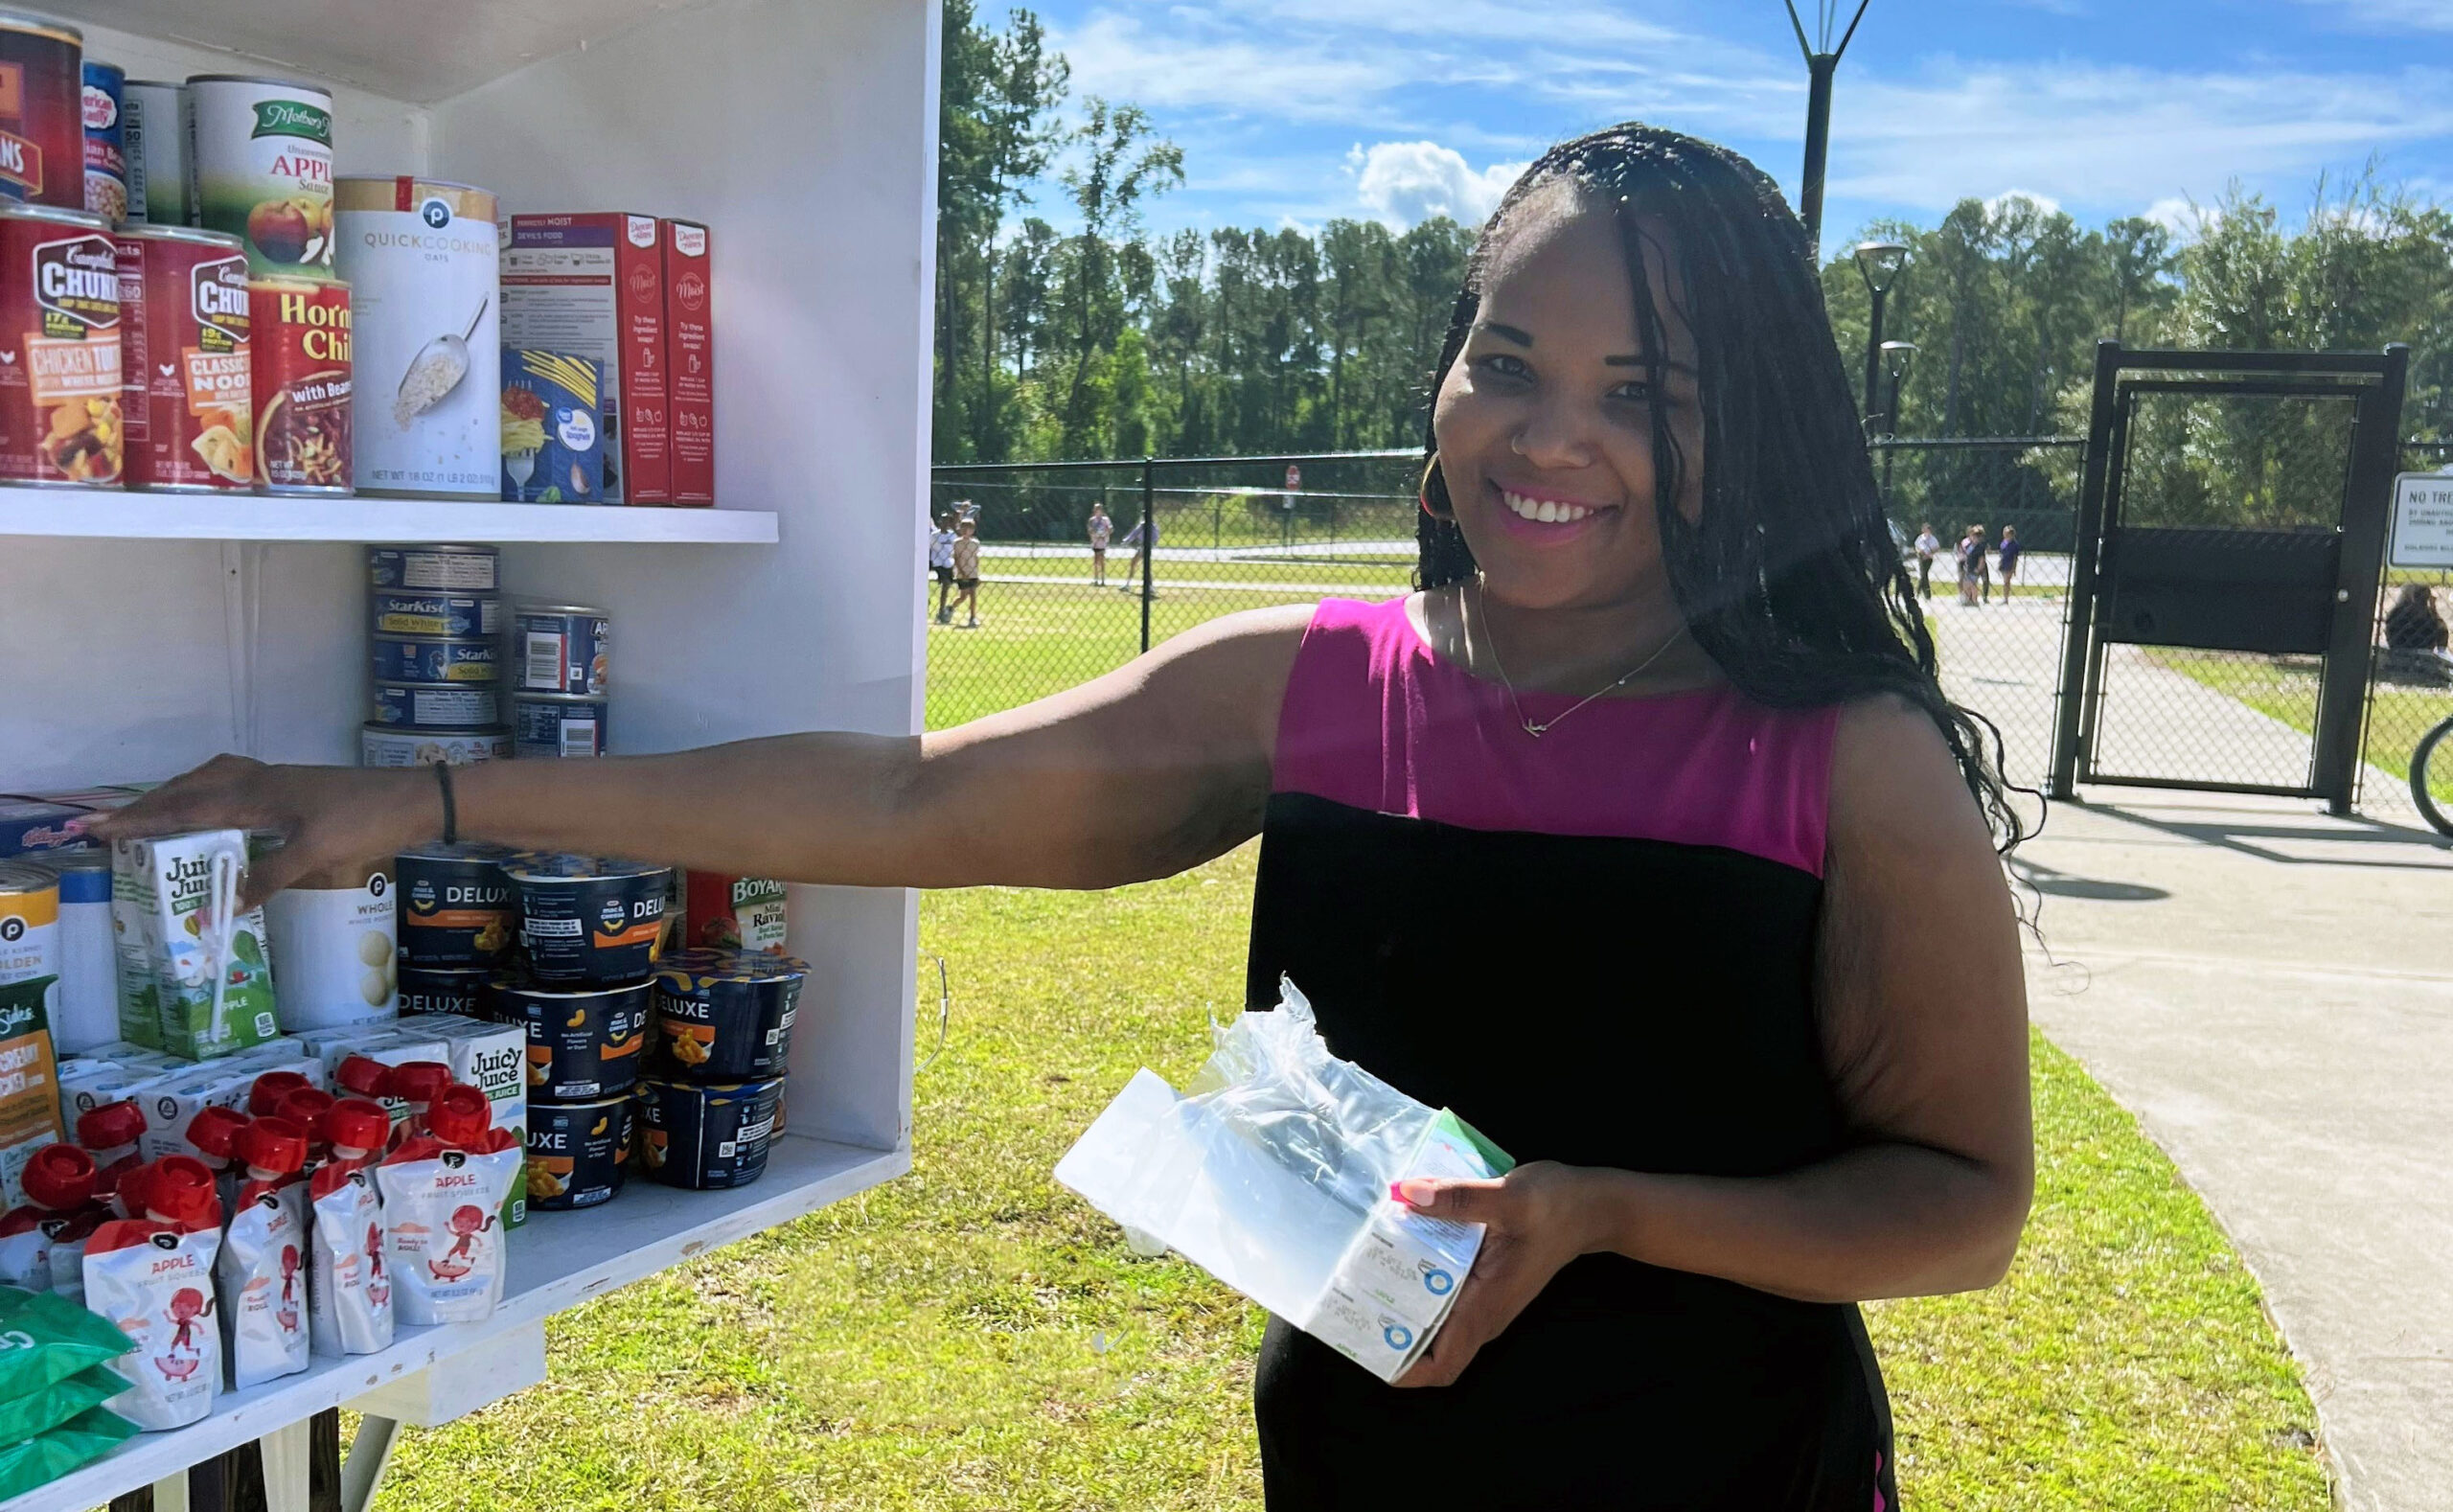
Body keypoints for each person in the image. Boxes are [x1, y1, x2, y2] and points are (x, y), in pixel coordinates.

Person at [91, 124, 2030, 1512]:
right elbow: (903, 796)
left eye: (1639, 390)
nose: (1546, 435)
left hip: (1718, 1468)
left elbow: (1960, 1202)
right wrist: (419, 795)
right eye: (1505, 364)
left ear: (1744, 423)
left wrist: (1595, 1214)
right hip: (1362, 1457)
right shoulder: (1323, 687)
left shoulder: (1843, 764)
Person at [949, 516, 982, 629]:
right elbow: (957, 558)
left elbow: (976, 558)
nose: (965, 531)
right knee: (963, 596)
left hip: (972, 572)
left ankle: (972, 617)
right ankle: (951, 608)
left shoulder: (975, 543)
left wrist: (976, 572)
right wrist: (962, 572)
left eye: (968, 528)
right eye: (963, 528)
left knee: (973, 594)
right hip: (962, 572)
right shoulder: (957, 543)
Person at [927, 513, 958, 625]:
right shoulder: (934, 535)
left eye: (947, 521)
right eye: (942, 521)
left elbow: (954, 550)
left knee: (946, 586)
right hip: (936, 562)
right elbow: (933, 549)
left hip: (947, 563)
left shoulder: (952, 535)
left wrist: (953, 564)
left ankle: (942, 610)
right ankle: (926, 602)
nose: (944, 523)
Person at [1116, 513, 1156, 592]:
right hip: (1142, 547)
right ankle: (1149, 586)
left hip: (1145, 547)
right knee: (1140, 565)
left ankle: (1130, 585)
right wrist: (1126, 541)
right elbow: (1134, 534)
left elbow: (1134, 534)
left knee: (1138, 564)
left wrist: (1126, 541)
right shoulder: (1146, 525)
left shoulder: (1149, 526)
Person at [1959, 524, 1989, 606]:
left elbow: (1982, 559)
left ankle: (1974, 600)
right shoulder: (1970, 546)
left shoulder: (1979, 548)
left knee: (1973, 585)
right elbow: (1966, 555)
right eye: (1972, 536)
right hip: (1969, 567)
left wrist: (1979, 569)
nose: (1973, 538)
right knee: (1966, 584)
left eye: (1975, 537)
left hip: (1975, 568)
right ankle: (1969, 599)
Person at [1914, 521, 1939, 601]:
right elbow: (1916, 547)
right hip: (1921, 557)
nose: (1926, 530)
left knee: (1923, 575)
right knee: (1924, 575)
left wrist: (1929, 553)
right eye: (1924, 529)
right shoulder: (1920, 538)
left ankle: (1917, 592)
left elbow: (1937, 548)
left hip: (1929, 558)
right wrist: (1920, 553)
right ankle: (1927, 595)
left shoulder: (1933, 539)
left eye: (1927, 529)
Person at [1089, 503, 1112, 586]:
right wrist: (1095, 535)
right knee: (1096, 561)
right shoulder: (1092, 520)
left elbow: (1110, 529)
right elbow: (1090, 530)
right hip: (1096, 542)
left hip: (1102, 542)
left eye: (1099, 509)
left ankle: (1102, 580)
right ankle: (1096, 579)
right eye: (1096, 509)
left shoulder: (1105, 520)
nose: (1098, 511)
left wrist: (1104, 535)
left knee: (1102, 560)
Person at [1996, 525, 2022, 595]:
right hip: (2003, 563)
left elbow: (2015, 557)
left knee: (2007, 581)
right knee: (2005, 581)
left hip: (2010, 564)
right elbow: (2002, 554)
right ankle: (2005, 596)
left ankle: (2006, 597)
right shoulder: (2004, 543)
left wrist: (2014, 568)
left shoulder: (2014, 545)